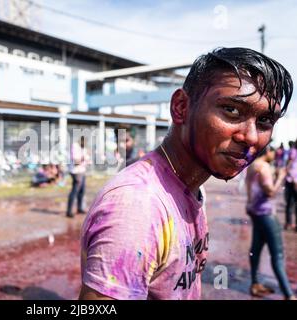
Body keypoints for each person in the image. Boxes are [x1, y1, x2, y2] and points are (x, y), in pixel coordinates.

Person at [79, 47, 293, 300]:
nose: (250, 137)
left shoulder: (190, 185)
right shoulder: (138, 206)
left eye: (265, 121)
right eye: (232, 110)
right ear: (181, 107)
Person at [245, 146, 296, 299]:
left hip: (255, 211)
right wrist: (281, 176)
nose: (274, 154)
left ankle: (255, 283)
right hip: (266, 214)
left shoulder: (252, 165)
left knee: (256, 248)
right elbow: (271, 192)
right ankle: (289, 294)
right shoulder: (264, 167)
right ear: (267, 152)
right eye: (272, 151)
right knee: (278, 255)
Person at [66, 136, 89, 218]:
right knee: (75, 191)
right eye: (84, 141)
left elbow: (86, 160)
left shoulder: (83, 148)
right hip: (76, 172)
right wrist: (84, 158)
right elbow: (76, 161)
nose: (85, 143)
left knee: (82, 190)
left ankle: (79, 208)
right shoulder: (75, 146)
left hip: (82, 171)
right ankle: (69, 211)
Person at [284, 139, 297, 230]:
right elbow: (288, 165)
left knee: (290, 204)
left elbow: (288, 166)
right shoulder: (293, 151)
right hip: (292, 180)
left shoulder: (293, 151)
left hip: (291, 180)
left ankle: (289, 223)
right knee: (291, 204)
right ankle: (290, 224)